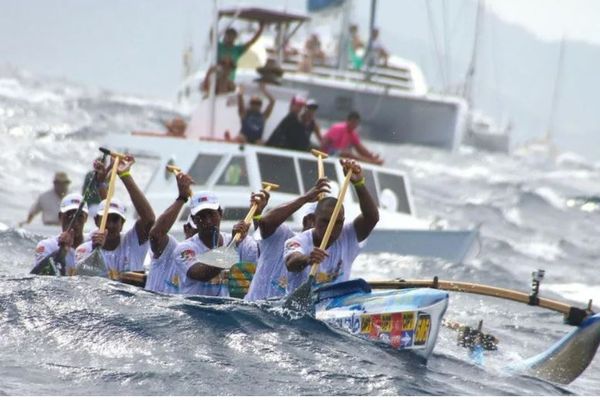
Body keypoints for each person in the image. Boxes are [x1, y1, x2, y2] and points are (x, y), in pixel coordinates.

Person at [285, 159, 379, 293]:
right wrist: (307, 259)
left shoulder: (347, 235)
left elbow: (372, 217)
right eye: (325, 221)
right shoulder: (297, 241)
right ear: (314, 220)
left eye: (338, 222)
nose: (332, 228)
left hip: (338, 307)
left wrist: (358, 184)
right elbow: (291, 263)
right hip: (302, 307)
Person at [245, 178, 330, 301]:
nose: (328, 229)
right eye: (324, 222)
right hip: (255, 311)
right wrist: (305, 198)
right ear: (308, 221)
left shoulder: (327, 253)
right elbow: (266, 222)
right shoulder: (282, 235)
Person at [75, 155, 156, 280]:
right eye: (106, 219)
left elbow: (149, 219)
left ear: (123, 223)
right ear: (97, 221)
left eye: (115, 219)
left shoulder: (133, 241)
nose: (111, 225)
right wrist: (95, 249)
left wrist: (125, 176)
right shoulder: (84, 249)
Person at [172, 191, 258, 297]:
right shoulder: (184, 249)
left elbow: (265, 255)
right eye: (201, 217)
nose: (208, 221)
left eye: (211, 214)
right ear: (194, 220)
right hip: (196, 311)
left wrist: (258, 215)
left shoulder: (244, 243)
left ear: (220, 214)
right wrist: (233, 245)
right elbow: (201, 274)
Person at [145, 172, 196, 294]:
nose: (202, 238)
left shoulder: (213, 259)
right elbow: (156, 234)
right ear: (186, 229)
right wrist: (182, 198)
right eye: (197, 230)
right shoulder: (171, 249)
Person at [31, 193, 89, 276]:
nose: (75, 222)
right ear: (60, 217)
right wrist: (62, 251)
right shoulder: (46, 246)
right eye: (69, 215)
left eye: (79, 216)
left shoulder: (94, 242)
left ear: (86, 218)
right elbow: (42, 277)